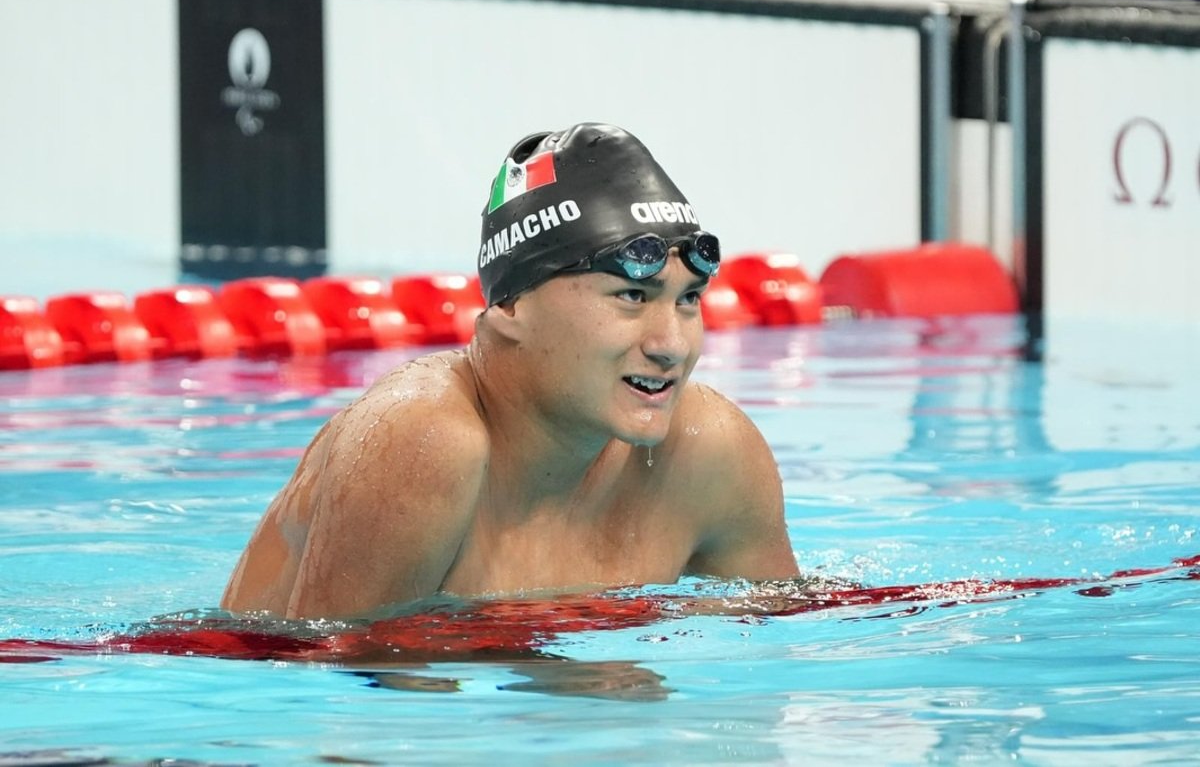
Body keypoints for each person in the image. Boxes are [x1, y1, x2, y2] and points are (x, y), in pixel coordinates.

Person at [221, 122, 800, 620]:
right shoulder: (426, 438)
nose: (672, 344)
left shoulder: (708, 451)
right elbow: (344, 700)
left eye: (688, 299)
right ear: (512, 306)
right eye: (631, 295)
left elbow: (790, 646)